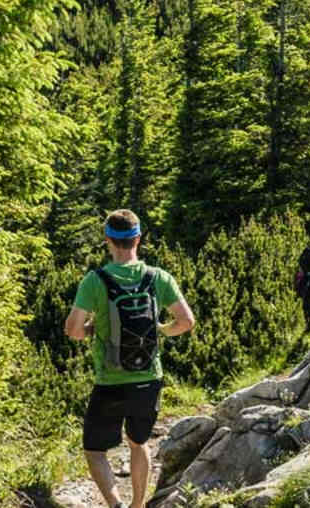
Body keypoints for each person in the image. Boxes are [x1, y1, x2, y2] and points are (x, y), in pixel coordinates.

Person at [65, 210, 195, 508]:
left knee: (95, 450)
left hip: (110, 380)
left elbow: (73, 330)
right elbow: (186, 321)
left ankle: (116, 505)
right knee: (139, 443)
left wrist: (93, 329)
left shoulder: (95, 281)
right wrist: (160, 329)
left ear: (108, 240)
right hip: (149, 376)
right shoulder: (158, 277)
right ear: (138, 238)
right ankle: (138, 505)